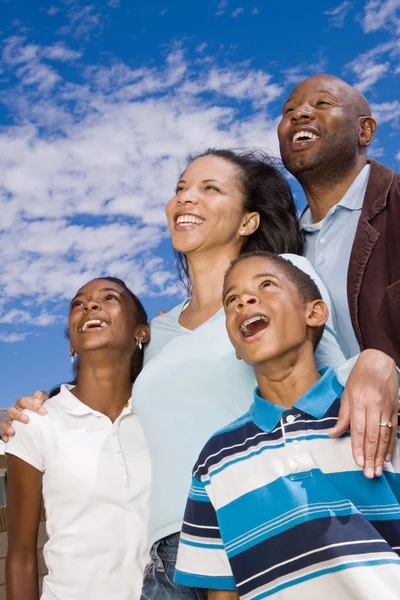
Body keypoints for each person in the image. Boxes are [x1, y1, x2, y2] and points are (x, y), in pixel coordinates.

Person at [2, 150, 398, 600]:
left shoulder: (283, 287)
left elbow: (338, 375)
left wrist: (379, 360)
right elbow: (105, 400)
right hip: (168, 562)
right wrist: (34, 408)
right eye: (180, 189)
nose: (186, 198)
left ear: (248, 221)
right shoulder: (156, 334)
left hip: (262, 530)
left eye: (210, 189)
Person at [175, 252, 400, 599]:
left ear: (314, 312)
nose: (244, 301)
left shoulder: (377, 412)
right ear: (235, 345)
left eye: (266, 285)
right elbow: (223, 594)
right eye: (231, 300)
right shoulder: (214, 461)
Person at [5, 277, 151, 600]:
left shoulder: (160, 417)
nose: (90, 306)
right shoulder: (35, 423)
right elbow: (20, 557)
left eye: (109, 298)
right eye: (78, 304)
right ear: (72, 342)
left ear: (141, 333)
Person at [278, 73, 400, 364]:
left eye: (322, 103)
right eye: (288, 111)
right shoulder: (281, 251)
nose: (300, 114)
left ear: (365, 131)